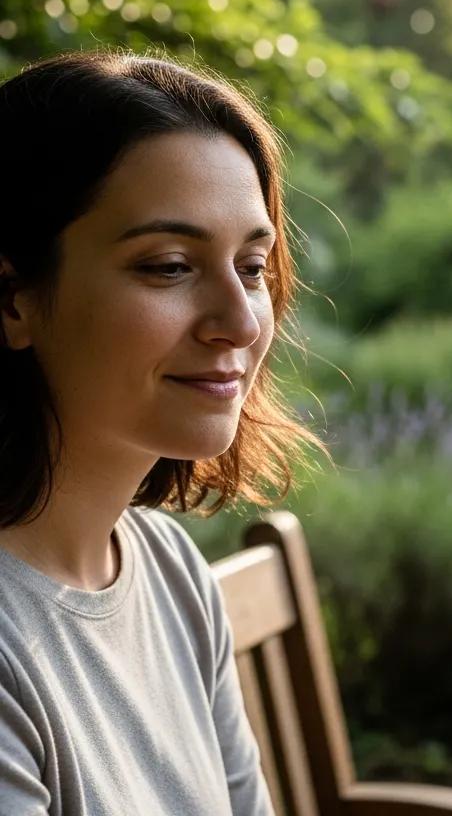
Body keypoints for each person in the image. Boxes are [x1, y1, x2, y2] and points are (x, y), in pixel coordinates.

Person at [0, 49, 321, 815]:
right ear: (12, 300)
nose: (241, 323)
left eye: (251, 266)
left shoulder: (169, 568)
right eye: (171, 266)